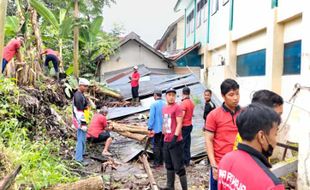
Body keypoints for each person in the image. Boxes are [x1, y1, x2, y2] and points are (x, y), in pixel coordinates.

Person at [218, 103, 285, 190]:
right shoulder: (271, 185)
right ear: (261, 136)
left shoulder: (226, 159)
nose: (276, 141)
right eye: (275, 134)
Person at [204, 79, 240, 190]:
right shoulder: (213, 115)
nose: (235, 98)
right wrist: (214, 165)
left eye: (237, 94)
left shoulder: (244, 114)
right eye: (231, 95)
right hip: (220, 165)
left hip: (239, 165)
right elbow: (208, 140)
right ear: (223, 96)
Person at [161, 87, 187, 190]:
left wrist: (175, 138)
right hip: (166, 140)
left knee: (179, 167)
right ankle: (170, 187)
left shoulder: (177, 107)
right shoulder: (164, 108)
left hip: (176, 141)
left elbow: (179, 123)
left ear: (175, 96)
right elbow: (165, 122)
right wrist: (163, 134)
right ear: (166, 96)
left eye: (173, 95)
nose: (171, 97)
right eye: (169, 95)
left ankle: (185, 188)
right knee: (168, 165)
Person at [72, 78, 90, 163]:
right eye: (85, 86)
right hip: (80, 120)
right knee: (80, 138)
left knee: (83, 138)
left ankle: (82, 153)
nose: (86, 88)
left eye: (87, 86)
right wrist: (83, 123)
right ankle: (78, 159)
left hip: (83, 118)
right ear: (80, 86)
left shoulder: (81, 94)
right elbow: (79, 112)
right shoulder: (78, 96)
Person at [147, 89, 165, 168]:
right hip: (164, 129)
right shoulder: (165, 104)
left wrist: (149, 127)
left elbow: (151, 117)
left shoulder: (153, 104)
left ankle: (156, 163)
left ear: (155, 95)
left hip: (156, 129)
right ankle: (161, 162)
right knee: (162, 145)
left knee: (156, 146)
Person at [181, 86, 195, 167]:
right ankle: (187, 161)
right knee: (187, 143)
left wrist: (178, 126)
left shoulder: (184, 103)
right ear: (189, 93)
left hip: (184, 126)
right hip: (189, 125)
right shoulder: (191, 103)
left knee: (182, 144)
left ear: (183, 93)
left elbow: (182, 116)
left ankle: (183, 162)